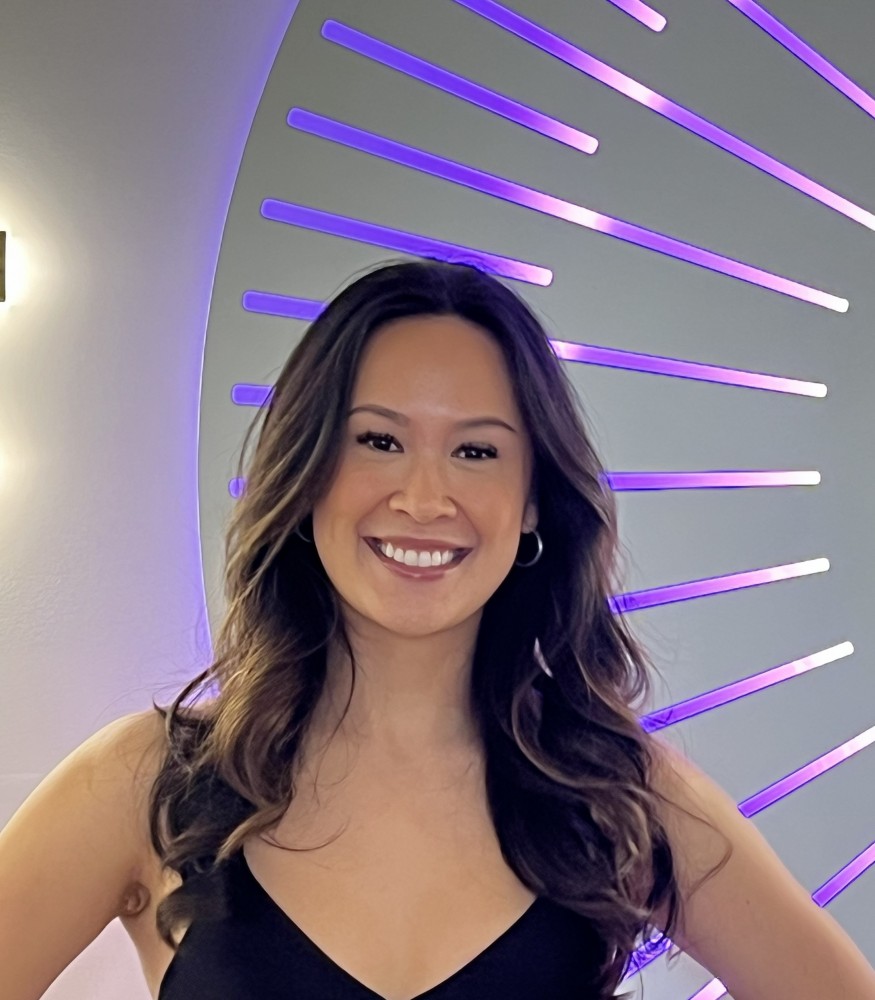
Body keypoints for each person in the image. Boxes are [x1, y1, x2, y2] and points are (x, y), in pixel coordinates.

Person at [2, 259, 874, 1000]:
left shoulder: (618, 793)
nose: (423, 499)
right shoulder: (148, 784)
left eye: (476, 451)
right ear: (308, 474)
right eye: (378, 441)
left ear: (532, 500)